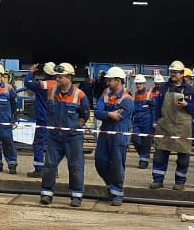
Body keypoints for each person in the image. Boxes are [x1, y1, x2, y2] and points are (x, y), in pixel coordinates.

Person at [41, 64, 91, 206]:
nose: (57, 79)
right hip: (54, 137)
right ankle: (46, 193)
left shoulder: (79, 95)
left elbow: (85, 115)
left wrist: (76, 127)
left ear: (69, 78)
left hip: (72, 138)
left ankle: (76, 196)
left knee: (75, 166)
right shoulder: (52, 92)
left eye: (60, 77)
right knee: (49, 165)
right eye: (56, 76)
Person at [94, 66, 134, 205]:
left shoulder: (127, 99)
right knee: (100, 161)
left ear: (118, 81)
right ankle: (111, 185)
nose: (107, 83)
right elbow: (97, 111)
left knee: (117, 164)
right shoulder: (105, 95)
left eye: (110, 80)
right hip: (105, 134)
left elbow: (118, 117)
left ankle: (117, 194)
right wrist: (109, 114)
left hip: (118, 135)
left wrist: (106, 113)